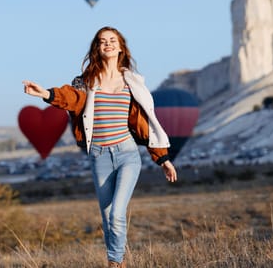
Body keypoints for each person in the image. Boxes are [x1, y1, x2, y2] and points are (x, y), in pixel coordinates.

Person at [22, 26, 177, 268]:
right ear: (97, 47)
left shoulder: (133, 82)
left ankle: (115, 263)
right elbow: (71, 97)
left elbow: (144, 125)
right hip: (99, 156)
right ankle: (118, 260)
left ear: (121, 47)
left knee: (117, 213)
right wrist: (45, 93)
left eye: (113, 40)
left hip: (127, 153)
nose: (108, 44)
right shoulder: (86, 82)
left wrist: (163, 159)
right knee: (107, 217)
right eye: (102, 41)